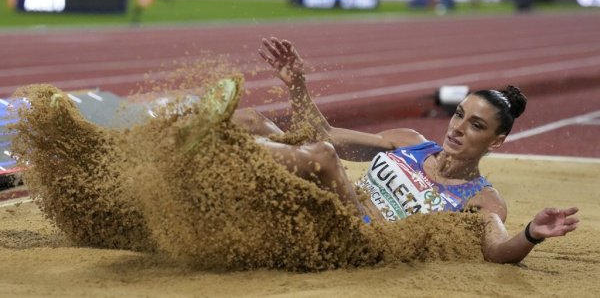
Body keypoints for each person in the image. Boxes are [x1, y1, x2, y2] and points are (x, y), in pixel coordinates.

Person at [230, 37, 579, 264]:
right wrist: (298, 86)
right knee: (252, 119)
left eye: (476, 125)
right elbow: (325, 133)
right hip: (333, 206)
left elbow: (497, 251)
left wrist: (532, 232)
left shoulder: (484, 202)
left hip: (360, 242)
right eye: (458, 114)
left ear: (497, 140)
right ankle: (192, 139)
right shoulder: (409, 142)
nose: (457, 128)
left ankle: (230, 151)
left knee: (321, 156)